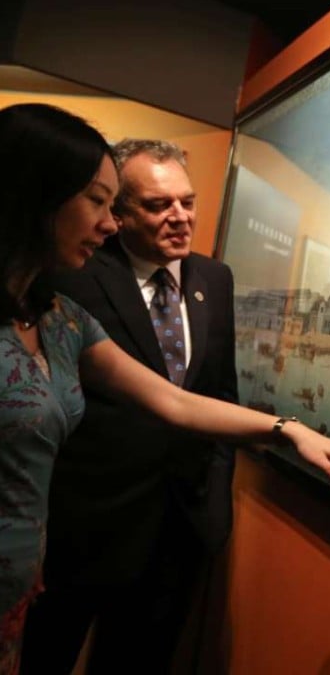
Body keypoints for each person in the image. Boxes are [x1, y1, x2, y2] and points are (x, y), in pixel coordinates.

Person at [0, 103, 330, 672]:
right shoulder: (72, 286)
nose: (108, 225)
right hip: (78, 540)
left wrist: (290, 430)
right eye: (100, 203)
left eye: (187, 201)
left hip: (32, 577)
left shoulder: (61, 321)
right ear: (39, 196)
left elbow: (177, 400)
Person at [22, 140, 233, 673]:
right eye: (159, 205)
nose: (180, 218)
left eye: (187, 202)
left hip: (178, 531)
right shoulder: (71, 274)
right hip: (80, 532)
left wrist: (214, 508)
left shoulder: (214, 280)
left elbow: (216, 395)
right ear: (119, 212)